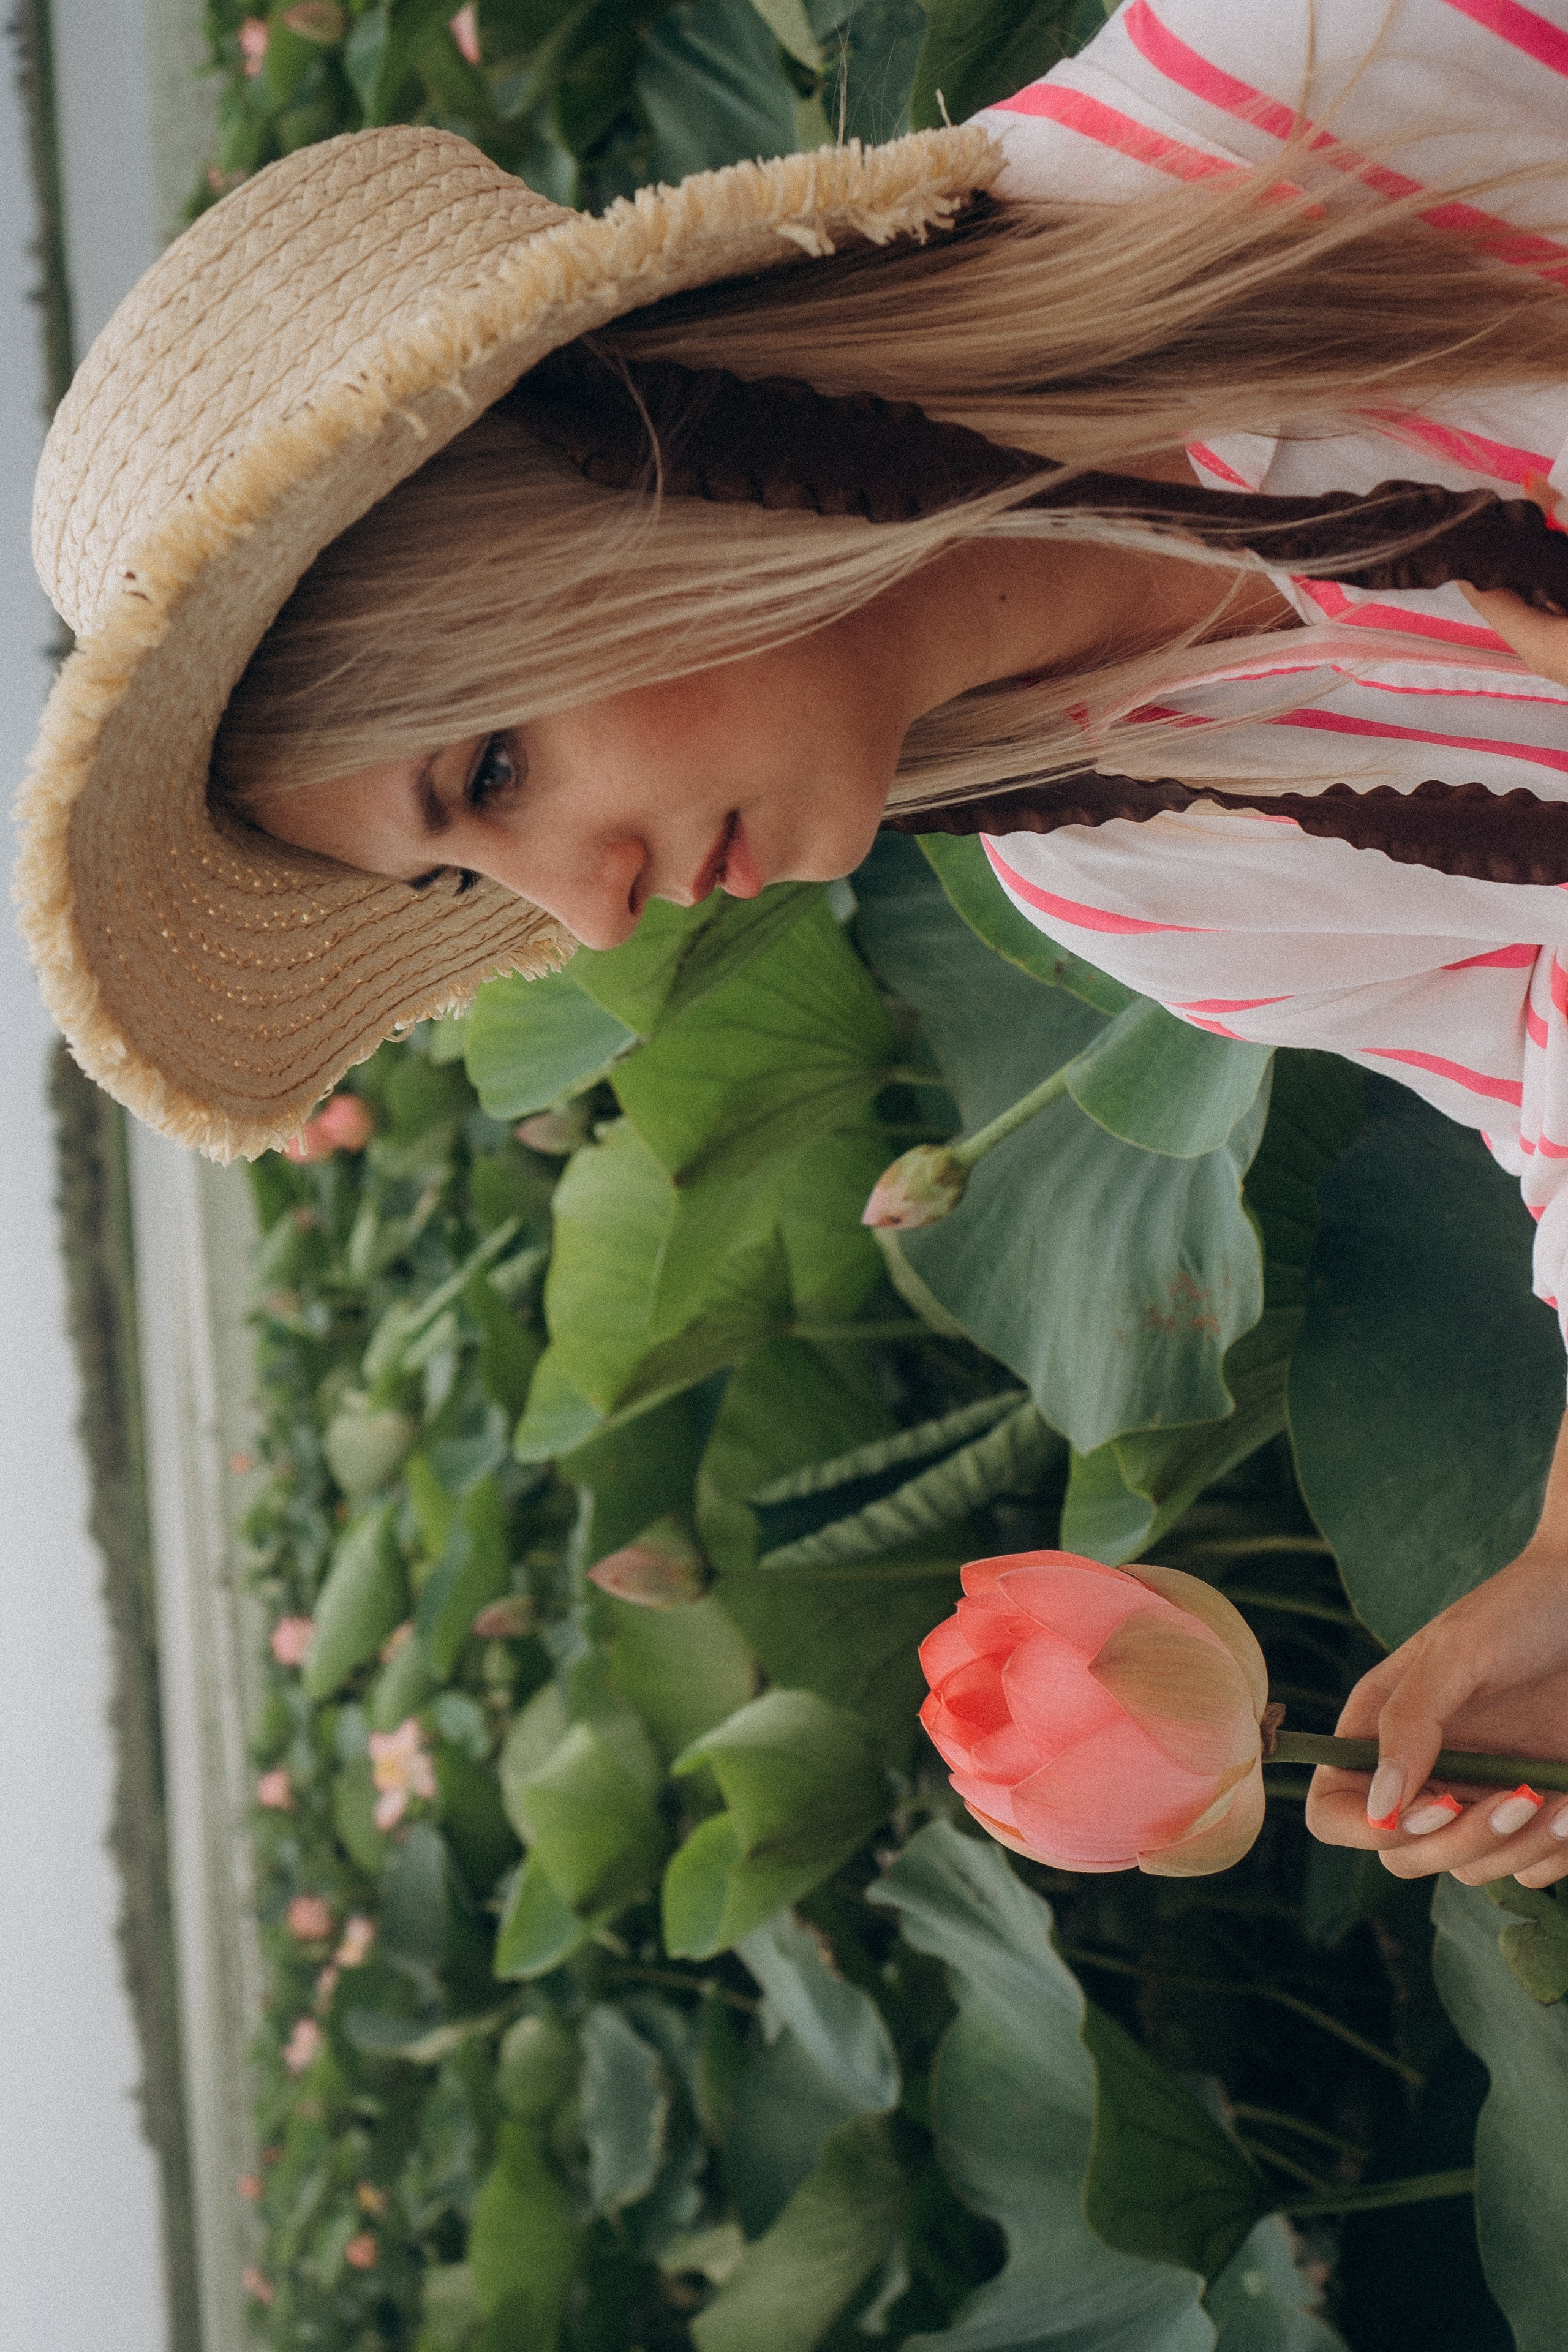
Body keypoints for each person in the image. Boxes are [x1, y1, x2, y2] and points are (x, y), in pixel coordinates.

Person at [18, 1, 1568, 1888]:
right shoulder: (1131, 878)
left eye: (493, 770)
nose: (586, 915)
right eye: (473, 882)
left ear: (613, 469)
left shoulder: (1308, 76)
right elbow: (1541, 1073)